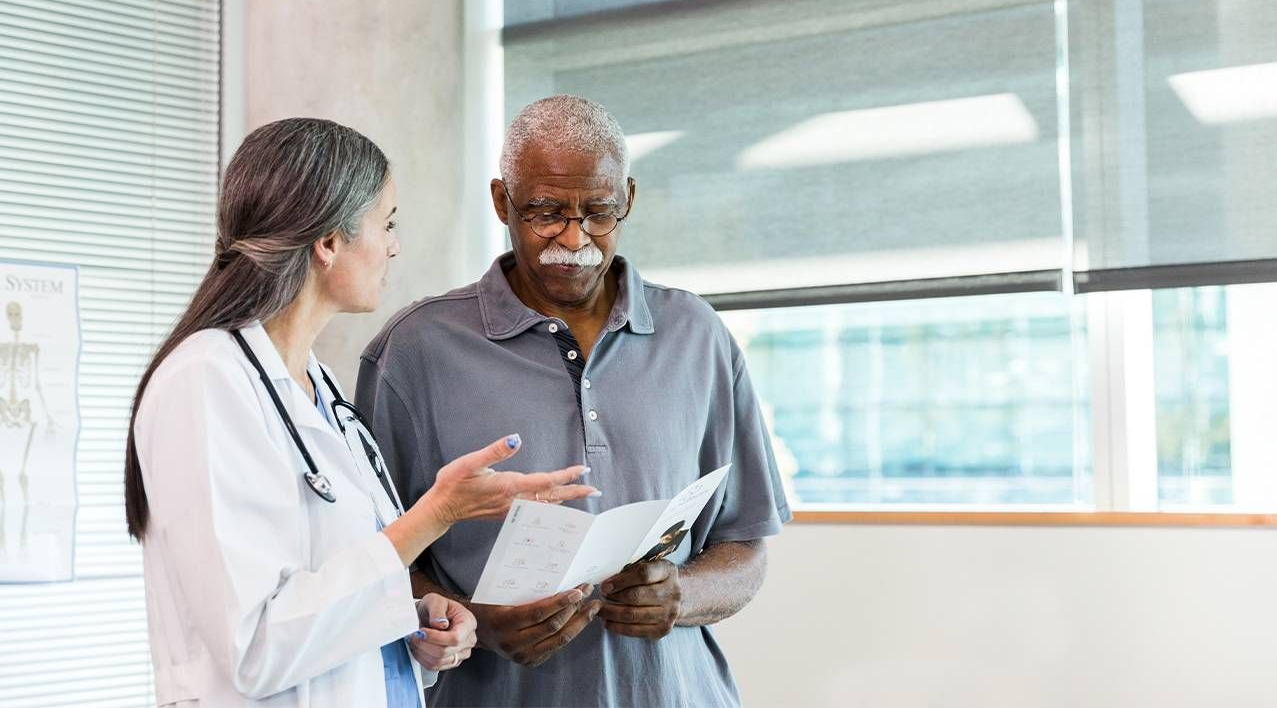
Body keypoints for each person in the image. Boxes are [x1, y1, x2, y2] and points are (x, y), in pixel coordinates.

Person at [123, 118, 597, 708]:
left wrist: (415, 623)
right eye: (387, 223)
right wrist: (436, 514)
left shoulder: (314, 384)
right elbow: (252, 648)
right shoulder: (206, 381)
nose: (394, 245)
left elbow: (327, 593)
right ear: (328, 242)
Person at [357, 95, 792, 707]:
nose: (574, 237)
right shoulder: (415, 351)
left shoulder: (698, 335)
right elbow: (369, 565)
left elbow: (745, 547)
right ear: (502, 201)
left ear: (629, 200)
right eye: (545, 212)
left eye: (598, 212)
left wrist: (682, 595)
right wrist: (475, 621)